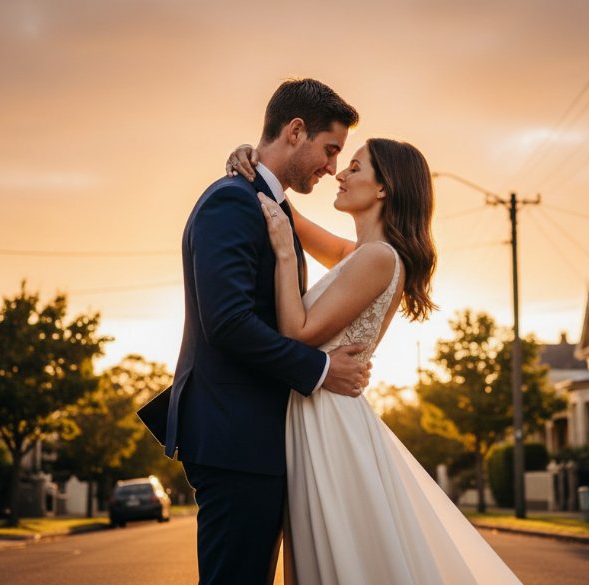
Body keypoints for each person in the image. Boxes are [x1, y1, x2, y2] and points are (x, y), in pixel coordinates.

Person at [227, 138, 524, 584]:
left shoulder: (380, 258)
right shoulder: (360, 255)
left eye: (354, 167)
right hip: (318, 412)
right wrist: (252, 162)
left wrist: (286, 254)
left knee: (344, 557)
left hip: (329, 421)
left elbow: (297, 334)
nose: (339, 174)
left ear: (383, 188)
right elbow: (287, 214)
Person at [138, 78, 373, 585]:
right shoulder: (232, 202)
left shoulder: (268, 202)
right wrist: (322, 369)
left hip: (256, 438)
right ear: (295, 131)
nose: (332, 167)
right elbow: (228, 323)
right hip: (235, 438)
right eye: (331, 149)